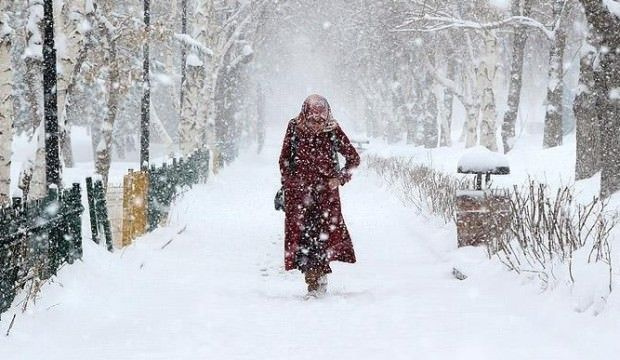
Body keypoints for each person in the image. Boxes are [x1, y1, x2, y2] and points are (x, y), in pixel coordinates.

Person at [278, 94, 360, 297]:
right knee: (303, 240)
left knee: (322, 238)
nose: (317, 125)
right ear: (305, 114)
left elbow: (353, 159)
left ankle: (317, 281)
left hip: (326, 198)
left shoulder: (332, 130)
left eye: (321, 120)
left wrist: (340, 179)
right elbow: (284, 159)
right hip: (299, 196)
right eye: (313, 120)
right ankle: (313, 280)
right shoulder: (294, 127)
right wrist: (290, 182)